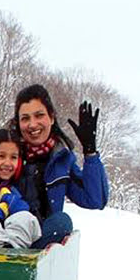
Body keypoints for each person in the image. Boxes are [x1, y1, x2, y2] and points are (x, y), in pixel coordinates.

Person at [13, 84, 109, 248]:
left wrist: (90, 152)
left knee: (61, 222)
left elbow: (95, 200)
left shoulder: (61, 160)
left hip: (41, 241)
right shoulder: (5, 154)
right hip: (7, 235)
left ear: (51, 117)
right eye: (25, 118)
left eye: (39, 115)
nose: (32, 124)